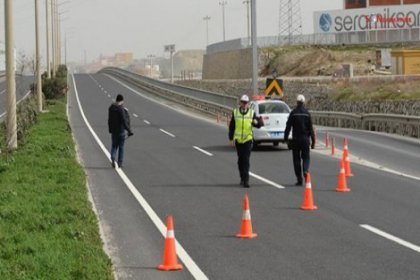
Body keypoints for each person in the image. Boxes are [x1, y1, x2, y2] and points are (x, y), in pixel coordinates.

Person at [229, 95, 263, 188]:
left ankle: (246, 180)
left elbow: (258, 124)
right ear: (240, 102)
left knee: (246, 160)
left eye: (246, 103)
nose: (244, 104)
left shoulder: (252, 113)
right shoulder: (235, 112)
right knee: (240, 160)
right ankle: (242, 177)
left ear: (248, 104)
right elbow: (232, 127)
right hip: (239, 141)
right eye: (243, 102)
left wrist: (259, 122)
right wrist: (231, 139)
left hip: (248, 139)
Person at [284, 94, 315, 186]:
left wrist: (285, 138)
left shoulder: (293, 113)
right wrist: (313, 141)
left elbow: (288, 126)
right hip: (305, 139)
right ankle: (305, 170)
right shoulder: (307, 113)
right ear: (304, 102)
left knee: (296, 159)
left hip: (296, 139)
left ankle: (299, 179)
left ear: (297, 102)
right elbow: (311, 129)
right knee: (306, 157)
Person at [108, 94, 133, 168]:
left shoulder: (111, 108)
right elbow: (124, 120)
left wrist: (110, 129)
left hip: (113, 131)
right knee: (121, 147)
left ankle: (113, 157)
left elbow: (109, 120)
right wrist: (129, 130)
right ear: (122, 100)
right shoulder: (121, 108)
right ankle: (120, 163)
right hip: (121, 131)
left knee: (114, 145)